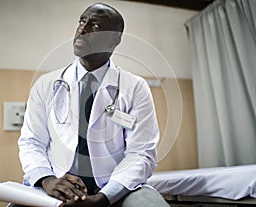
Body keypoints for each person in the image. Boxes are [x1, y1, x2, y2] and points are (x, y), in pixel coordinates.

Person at [12, 3, 169, 207]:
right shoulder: (46, 84)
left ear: (114, 39)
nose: (82, 29)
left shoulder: (135, 87)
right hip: (56, 185)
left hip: (116, 188)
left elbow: (141, 153)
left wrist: (103, 198)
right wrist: (48, 180)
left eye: (94, 25)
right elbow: (31, 142)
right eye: (81, 21)